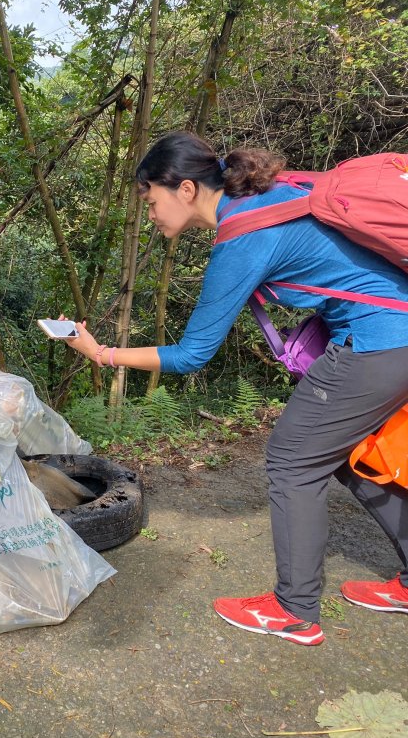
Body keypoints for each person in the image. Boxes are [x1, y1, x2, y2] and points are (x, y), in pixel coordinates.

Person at [60, 131, 408, 646]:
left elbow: (192, 354)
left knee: (292, 459)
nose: (151, 216)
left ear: (183, 190)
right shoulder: (269, 195)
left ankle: (293, 611)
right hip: (394, 337)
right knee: (346, 452)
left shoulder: (241, 238)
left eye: (151, 201)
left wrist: (101, 353)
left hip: (380, 342)